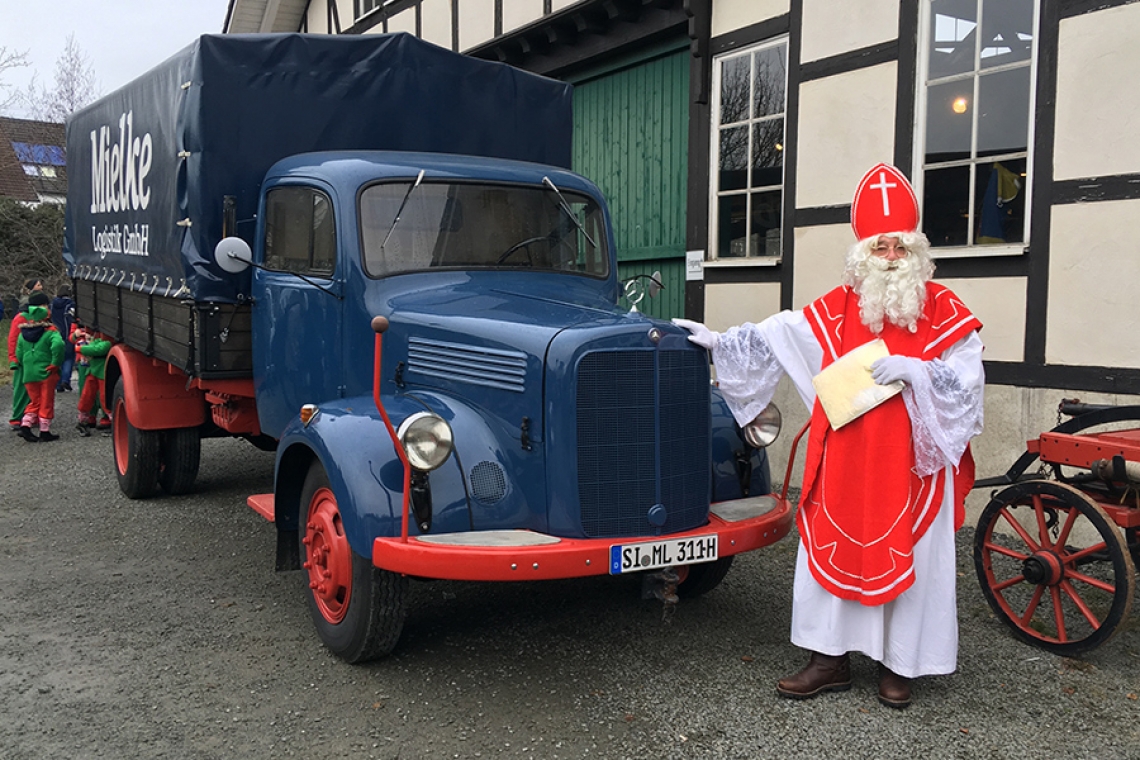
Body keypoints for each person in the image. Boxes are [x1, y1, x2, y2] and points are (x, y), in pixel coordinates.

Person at [674, 163, 984, 709]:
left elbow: (967, 379)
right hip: (845, 459)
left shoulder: (947, 312)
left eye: (900, 248)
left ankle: (899, 664)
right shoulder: (838, 308)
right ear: (863, 251)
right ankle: (828, 659)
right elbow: (777, 337)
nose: (890, 258)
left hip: (913, 465)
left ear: (917, 253)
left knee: (912, 549)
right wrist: (719, 342)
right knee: (833, 544)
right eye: (881, 247)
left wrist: (920, 373)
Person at [15, 299, 65, 442]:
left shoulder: (22, 334)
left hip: (29, 373)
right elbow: (58, 346)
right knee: (46, 400)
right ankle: (45, 430)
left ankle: (25, 424)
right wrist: (55, 363)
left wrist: (25, 364)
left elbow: (19, 353)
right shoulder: (50, 332)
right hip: (46, 372)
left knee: (34, 400)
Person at [8, 289, 48, 431]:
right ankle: (17, 417)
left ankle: (31, 415)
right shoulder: (21, 318)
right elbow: (13, 339)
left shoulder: (40, 317)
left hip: (35, 358)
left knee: (35, 391)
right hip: (22, 359)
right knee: (21, 389)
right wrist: (13, 359)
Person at [74, 325, 112, 436]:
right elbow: (96, 347)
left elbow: (100, 348)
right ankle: (83, 421)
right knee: (87, 396)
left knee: (105, 397)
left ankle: (111, 421)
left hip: (101, 372)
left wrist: (81, 348)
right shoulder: (98, 337)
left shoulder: (107, 339)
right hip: (94, 371)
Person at [51, 285, 76, 392]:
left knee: (58, 358)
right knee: (69, 358)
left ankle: (58, 384)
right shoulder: (71, 305)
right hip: (68, 334)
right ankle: (65, 379)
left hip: (55, 334)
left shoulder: (52, 305)